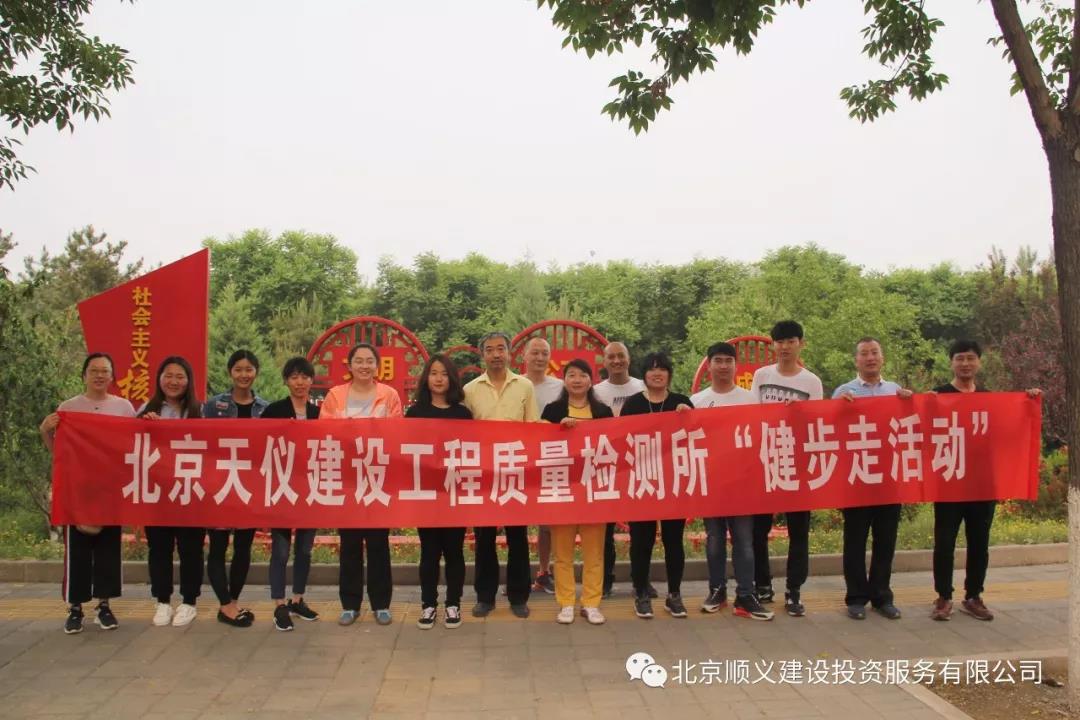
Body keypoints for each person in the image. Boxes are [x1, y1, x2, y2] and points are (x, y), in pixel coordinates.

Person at [929, 339, 1041, 622]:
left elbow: (1008, 430)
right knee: (944, 542)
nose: (965, 363)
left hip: (983, 483)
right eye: (960, 358)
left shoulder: (990, 399)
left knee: (979, 542)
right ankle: (943, 597)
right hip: (949, 481)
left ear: (979, 362)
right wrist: (913, 401)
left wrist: (1028, 401)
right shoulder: (937, 395)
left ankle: (973, 596)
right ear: (951, 363)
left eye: (970, 358)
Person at [40, 353, 134, 634]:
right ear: (84, 375)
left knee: (108, 551)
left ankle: (104, 606)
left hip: (110, 490)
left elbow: (134, 446)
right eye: (94, 371)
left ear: (112, 377)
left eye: (105, 371)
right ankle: (75, 608)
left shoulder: (124, 408)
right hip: (78, 491)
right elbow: (59, 454)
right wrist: (45, 432)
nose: (99, 375)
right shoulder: (69, 408)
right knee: (77, 552)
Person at [690, 342, 774, 621]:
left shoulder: (750, 399)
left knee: (744, 541)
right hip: (711, 482)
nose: (723, 366)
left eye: (728, 360)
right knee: (714, 539)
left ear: (736, 366)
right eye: (718, 360)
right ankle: (717, 591)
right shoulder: (697, 401)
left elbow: (761, 439)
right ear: (709, 365)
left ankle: (746, 595)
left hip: (742, 483)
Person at [320, 343, 403, 626]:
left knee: (379, 543)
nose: (364, 366)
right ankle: (350, 604)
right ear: (350, 365)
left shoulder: (389, 395)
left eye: (369, 361)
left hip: (378, 477)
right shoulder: (335, 395)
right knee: (350, 544)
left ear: (377, 366)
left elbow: (396, 432)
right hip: (347, 479)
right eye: (359, 361)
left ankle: (381, 604)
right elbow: (325, 431)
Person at [833, 337, 913, 621]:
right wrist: (838, 407)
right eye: (864, 354)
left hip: (889, 479)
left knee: (885, 541)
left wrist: (910, 402)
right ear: (856, 360)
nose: (870, 358)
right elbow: (830, 429)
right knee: (854, 541)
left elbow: (910, 425)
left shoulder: (895, 390)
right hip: (857, 478)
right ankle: (856, 598)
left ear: (882, 358)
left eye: (874, 352)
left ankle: (882, 596)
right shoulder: (844, 392)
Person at [750, 320, 823, 618]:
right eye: (779, 342)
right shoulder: (761, 375)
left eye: (791, 341)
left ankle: (794, 590)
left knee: (798, 531)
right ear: (773, 345)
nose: (785, 347)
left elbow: (817, 423)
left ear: (801, 344)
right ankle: (762, 584)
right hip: (765, 461)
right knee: (758, 529)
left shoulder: (811, 382)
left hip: (798, 465)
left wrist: (800, 414)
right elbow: (751, 415)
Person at [463, 331, 539, 619]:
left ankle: (519, 597)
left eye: (500, 349)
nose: (496, 354)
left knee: (518, 537)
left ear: (510, 353)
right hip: (484, 474)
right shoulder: (470, 390)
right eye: (490, 350)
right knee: (484, 539)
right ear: (482, 354)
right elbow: (465, 433)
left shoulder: (525, 386)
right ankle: (485, 597)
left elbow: (533, 427)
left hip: (515, 470)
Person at [621, 352, 694, 619]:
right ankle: (641, 592)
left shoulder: (681, 402)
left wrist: (688, 417)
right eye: (651, 369)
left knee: (674, 540)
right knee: (642, 540)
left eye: (662, 368)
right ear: (644, 375)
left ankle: (674, 594)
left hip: (673, 483)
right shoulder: (633, 404)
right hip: (642, 481)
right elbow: (621, 439)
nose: (657, 373)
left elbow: (697, 436)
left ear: (669, 374)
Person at [540, 359, 611, 625]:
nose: (577, 380)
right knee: (562, 553)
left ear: (591, 381)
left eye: (582, 375)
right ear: (564, 380)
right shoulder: (553, 410)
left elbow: (612, 445)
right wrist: (557, 429)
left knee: (594, 553)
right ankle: (566, 602)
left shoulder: (602, 411)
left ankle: (591, 603)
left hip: (594, 491)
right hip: (563, 490)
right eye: (572, 375)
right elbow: (538, 443)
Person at [138, 355, 206, 628]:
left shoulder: (200, 411)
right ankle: (163, 601)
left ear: (189, 381)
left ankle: (189, 602)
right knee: (159, 548)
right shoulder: (147, 409)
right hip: (158, 493)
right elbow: (130, 444)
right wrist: (144, 424)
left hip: (190, 491)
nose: (174, 381)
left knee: (191, 549)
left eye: (180, 376)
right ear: (159, 379)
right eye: (168, 376)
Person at [406, 354, 473, 629]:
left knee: (454, 551)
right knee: (429, 552)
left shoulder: (463, 414)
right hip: (426, 494)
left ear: (452, 379)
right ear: (426, 377)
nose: (438, 378)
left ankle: (453, 604)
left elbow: (472, 452)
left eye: (444, 374)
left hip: (454, 492)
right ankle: (428, 604)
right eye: (434, 373)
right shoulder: (414, 413)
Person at [201, 349, 267, 628]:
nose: (244, 374)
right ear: (230, 372)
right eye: (238, 369)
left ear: (256, 373)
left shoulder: (264, 409)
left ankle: (233, 602)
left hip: (248, 487)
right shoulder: (212, 406)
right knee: (217, 547)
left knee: (243, 547)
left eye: (249, 369)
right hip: (219, 485)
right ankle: (225, 605)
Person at [260, 356, 321, 631]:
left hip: (310, 489)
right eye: (294, 377)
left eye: (305, 377)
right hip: (282, 487)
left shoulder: (319, 413)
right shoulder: (273, 411)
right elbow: (259, 446)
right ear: (286, 380)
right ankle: (279, 604)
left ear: (311, 380)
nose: (300, 382)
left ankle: (297, 599)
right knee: (281, 550)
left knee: (305, 549)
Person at [592, 341, 648, 599]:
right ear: (604, 362)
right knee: (603, 530)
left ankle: (641, 581)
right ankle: (604, 580)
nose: (616, 361)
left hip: (637, 464)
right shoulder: (595, 391)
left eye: (620, 356)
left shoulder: (642, 386)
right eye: (611, 357)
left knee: (641, 528)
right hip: (605, 466)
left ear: (628, 359)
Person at [523, 336, 564, 595]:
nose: (539, 358)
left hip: (551, 458)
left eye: (544, 353)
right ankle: (518, 575)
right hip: (519, 459)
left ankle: (544, 572)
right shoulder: (515, 384)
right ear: (524, 356)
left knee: (548, 522)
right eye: (535, 352)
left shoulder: (560, 387)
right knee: (516, 521)